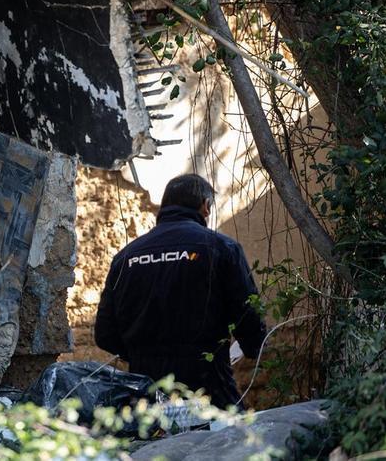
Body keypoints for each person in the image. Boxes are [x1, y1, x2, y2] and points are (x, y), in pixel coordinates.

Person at [94, 173, 266, 407]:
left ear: (164, 206)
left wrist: (139, 355)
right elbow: (247, 313)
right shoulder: (222, 248)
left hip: (147, 388)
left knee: (152, 432)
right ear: (205, 206)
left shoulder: (125, 257)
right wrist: (254, 346)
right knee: (227, 430)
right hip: (207, 384)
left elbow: (104, 334)